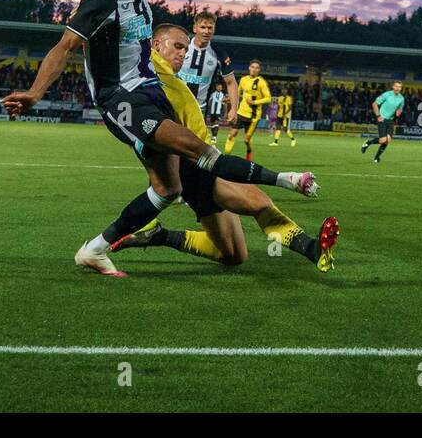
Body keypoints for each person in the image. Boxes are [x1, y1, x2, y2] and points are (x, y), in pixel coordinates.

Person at [2, 0, 319, 277]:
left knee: (168, 190)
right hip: (122, 100)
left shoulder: (142, 5)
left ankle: (94, 249)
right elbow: (65, 46)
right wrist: (35, 93)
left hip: (150, 97)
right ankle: (288, 180)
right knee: (198, 151)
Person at [112, 24, 338, 272]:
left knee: (233, 254)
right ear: (155, 46)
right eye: (177, 46)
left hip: (191, 165)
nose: (182, 54)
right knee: (259, 203)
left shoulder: (166, 77)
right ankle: (312, 249)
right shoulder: (150, 75)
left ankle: (159, 235)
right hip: (193, 165)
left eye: (185, 50)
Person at [178, 11, 238, 132]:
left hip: (199, 112)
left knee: (193, 149)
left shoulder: (219, 53)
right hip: (175, 106)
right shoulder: (181, 46)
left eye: (210, 28)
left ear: (214, 29)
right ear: (195, 28)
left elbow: (231, 82)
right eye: (203, 27)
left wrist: (234, 109)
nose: (206, 31)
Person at [224, 60, 271, 161]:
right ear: (249, 68)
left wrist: (254, 102)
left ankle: (249, 158)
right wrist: (229, 98)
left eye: (257, 68)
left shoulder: (261, 82)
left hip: (253, 116)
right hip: (241, 112)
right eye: (252, 67)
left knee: (247, 140)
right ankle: (226, 157)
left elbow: (268, 98)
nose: (254, 69)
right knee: (232, 134)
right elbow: (238, 91)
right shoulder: (243, 79)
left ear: (259, 70)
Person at [361, 81, 405, 163]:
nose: (397, 88)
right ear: (393, 87)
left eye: (399, 87)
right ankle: (368, 142)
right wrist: (378, 116)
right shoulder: (387, 94)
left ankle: (376, 157)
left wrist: (399, 112)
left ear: (401, 88)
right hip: (382, 118)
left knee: (388, 140)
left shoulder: (401, 98)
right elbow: (374, 104)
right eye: (396, 86)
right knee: (383, 140)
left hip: (390, 120)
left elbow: (400, 108)